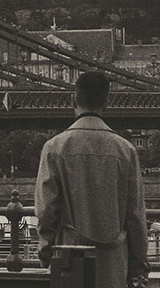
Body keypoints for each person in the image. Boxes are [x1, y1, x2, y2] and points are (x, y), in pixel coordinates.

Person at [35, 71, 149, 287]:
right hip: (113, 265)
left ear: (73, 100)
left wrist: (46, 253)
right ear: (106, 103)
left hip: (69, 261)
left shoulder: (54, 149)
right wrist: (138, 268)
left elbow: (46, 211)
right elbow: (135, 216)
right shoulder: (126, 151)